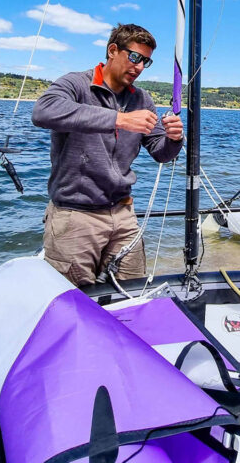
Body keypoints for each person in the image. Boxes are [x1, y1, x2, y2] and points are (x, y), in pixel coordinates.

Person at [32, 23, 184, 286]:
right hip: (75, 216)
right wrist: (118, 119)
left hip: (123, 214)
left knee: (131, 291)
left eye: (145, 62)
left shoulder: (142, 99)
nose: (138, 67)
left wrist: (174, 138)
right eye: (134, 57)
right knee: (73, 303)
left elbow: (161, 152)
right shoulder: (77, 84)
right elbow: (43, 112)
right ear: (113, 50)